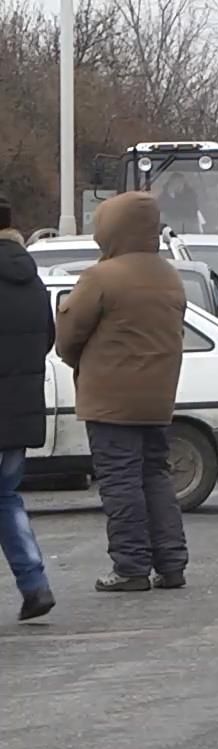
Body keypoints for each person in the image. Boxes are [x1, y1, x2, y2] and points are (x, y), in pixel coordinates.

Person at [53, 193, 188, 593]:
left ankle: (130, 567)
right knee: (156, 476)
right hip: (158, 396)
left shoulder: (102, 277)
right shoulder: (169, 275)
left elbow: (68, 336)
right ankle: (172, 563)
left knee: (120, 481)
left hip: (111, 399)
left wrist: (78, 359)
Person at [0, 198, 56, 620]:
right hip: (20, 410)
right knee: (7, 498)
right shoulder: (32, 280)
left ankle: (36, 585)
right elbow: (46, 339)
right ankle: (35, 584)